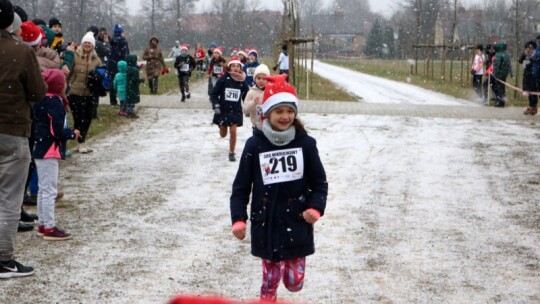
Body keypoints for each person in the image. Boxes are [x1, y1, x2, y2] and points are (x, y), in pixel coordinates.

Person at [230, 74, 328, 301]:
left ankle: (287, 275)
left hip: (297, 221)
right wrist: (238, 218)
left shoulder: (305, 144)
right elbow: (241, 186)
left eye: (289, 111)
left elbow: (319, 183)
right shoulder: (255, 145)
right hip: (267, 222)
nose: (285, 116)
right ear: (267, 113)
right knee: (270, 281)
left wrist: (315, 208)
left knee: (294, 285)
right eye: (279, 111)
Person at [0, 0, 47, 278]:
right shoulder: (19, 51)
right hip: (11, 130)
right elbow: (38, 93)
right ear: (11, 22)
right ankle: (3, 259)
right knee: (8, 197)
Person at [33, 69, 80, 240]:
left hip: (40, 148)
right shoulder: (55, 102)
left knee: (43, 189)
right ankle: (50, 228)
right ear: (59, 85)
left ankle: (43, 224)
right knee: (50, 190)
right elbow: (57, 129)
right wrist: (71, 134)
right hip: (49, 149)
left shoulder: (41, 99)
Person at [67, 32, 102, 153]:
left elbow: (101, 75)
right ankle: (80, 142)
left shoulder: (97, 60)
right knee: (79, 117)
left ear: (93, 45)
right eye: (85, 43)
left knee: (87, 118)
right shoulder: (75, 56)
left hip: (89, 93)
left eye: (89, 43)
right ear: (82, 44)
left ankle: (82, 141)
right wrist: (66, 86)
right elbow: (69, 72)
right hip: (74, 92)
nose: (87, 45)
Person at [210, 56, 249, 162]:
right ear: (229, 68)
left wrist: (249, 107)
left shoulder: (242, 82)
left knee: (233, 131)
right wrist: (216, 105)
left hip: (235, 111)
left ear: (241, 68)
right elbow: (213, 94)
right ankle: (221, 126)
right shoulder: (224, 79)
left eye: (238, 66)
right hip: (222, 110)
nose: (236, 68)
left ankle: (231, 152)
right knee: (223, 134)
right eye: (233, 66)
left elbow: (247, 97)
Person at [242, 64, 270, 131]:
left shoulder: (271, 91)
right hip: (256, 126)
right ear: (255, 79)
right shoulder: (251, 92)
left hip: (270, 126)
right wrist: (253, 102)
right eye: (258, 78)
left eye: (264, 78)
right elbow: (245, 110)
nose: (261, 81)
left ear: (268, 80)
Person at [108, 24, 129, 105]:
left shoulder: (111, 40)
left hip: (111, 64)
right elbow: (126, 53)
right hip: (121, 65)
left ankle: (112, 101)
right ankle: (122, 100)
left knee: (113, 82)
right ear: (120, 32)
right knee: (122, 83)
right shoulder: (123, 41)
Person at [520, 40, 538, 115]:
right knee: (529, 91)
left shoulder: (536, 54)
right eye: (528, 48)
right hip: (526, 75)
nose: (529, 49)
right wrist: (524, 54)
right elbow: (520, 61)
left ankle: (533, 106)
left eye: (531, 48)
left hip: (534, 75)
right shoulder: (525, 54)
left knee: (534, 91)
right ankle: (531, 106)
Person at [492, 40, 511, 107]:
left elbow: (497, 65)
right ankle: (502, 101)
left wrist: (495, 74)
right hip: (504, 74)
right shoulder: (506, 55)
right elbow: (509, 65)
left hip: (499, 74)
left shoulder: (498, 55)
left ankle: (499, 101)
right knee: (502, 88)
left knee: (498, 87)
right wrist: (511, 73)